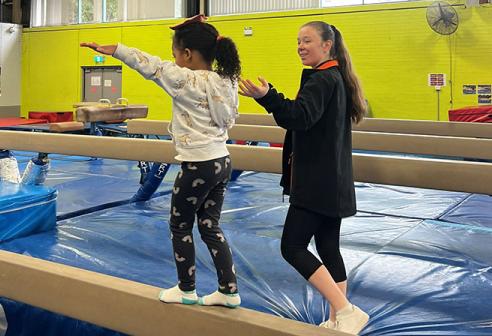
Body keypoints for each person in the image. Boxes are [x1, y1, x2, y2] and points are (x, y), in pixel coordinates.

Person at [81, 14, 241, 308]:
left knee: (180, 226)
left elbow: (150, 65)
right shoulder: (227, 80)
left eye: (176, 54)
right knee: (210, 225)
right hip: (222, 162)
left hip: (197, 166)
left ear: (188, 55)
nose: (173, 59)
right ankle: (228, 290)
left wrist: (116, 48)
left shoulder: (185, 79)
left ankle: (186, 289)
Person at [239, 21, 369, 334]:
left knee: (292, 247)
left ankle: (345, 310)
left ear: (327, 45)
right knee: (327, 247)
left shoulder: (322, 79)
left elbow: (299, 117)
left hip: (315, 183)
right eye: (298, 41)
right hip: (331, 182)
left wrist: (268, 96)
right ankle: (340, 321)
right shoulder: (333, 77)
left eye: (307, 40)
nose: (300, 46)